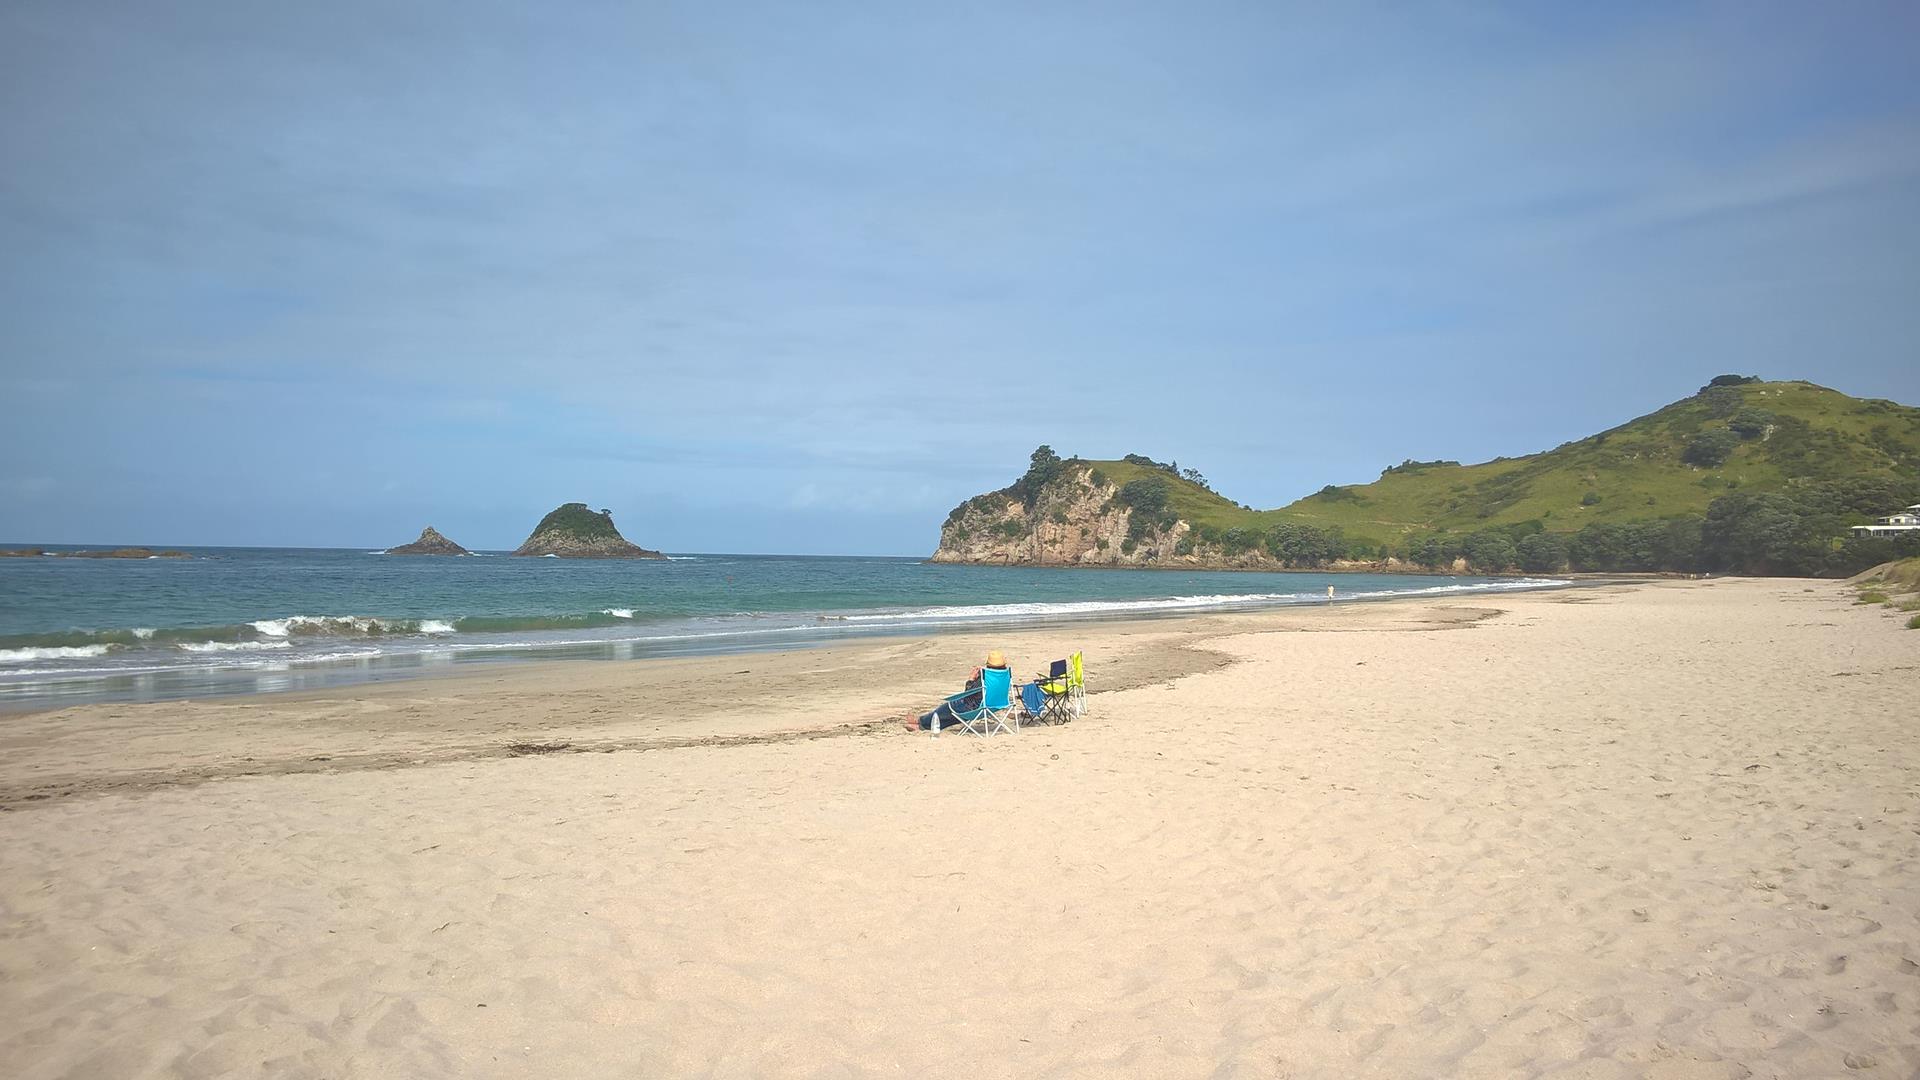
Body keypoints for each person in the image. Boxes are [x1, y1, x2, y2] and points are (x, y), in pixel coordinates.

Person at [905, 650, 1011, 731]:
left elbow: (968, 694)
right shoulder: (1005, 675)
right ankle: (922, 727)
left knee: (946, 708)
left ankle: (919, 721)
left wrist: (971, 679)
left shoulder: (985, 677)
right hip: (997, 705)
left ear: (988, 664)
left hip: (977, 708)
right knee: (952, 716)